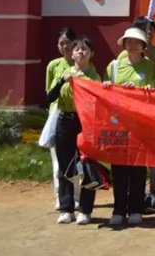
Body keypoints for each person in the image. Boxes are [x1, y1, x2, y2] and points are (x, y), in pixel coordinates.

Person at [104, 27, 155, 226]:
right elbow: (106, 94)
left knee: (138, 168)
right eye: (128, 42)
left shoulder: (151, 67)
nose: (132, 45)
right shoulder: (114, 66)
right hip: (119, 126)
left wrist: (146, 91)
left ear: (143, 46)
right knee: (119, 169)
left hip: (141, 125)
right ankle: (119, 209)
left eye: (136, 42)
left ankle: (136, 209)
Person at [46, 36, 100, 225]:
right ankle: (66, 208)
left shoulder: (94, 77)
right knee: (65, 165)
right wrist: (62, 81)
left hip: (85, 123)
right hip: (65, 121)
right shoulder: (65, 73)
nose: (80, 52)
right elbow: (50, 97)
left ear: (91, 54)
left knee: (87, 165)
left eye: (85, 49)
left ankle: (85, 210)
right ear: (72, 53)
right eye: (77, 49)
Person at [45, 27, 77, 211]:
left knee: (77, 159)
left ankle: (77, 197)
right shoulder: (53, 65)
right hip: (57, 115)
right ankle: (60, 196)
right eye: (61, 43)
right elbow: (49, 92)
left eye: (69, 43)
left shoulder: (82, 64)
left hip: (76, 115)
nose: (65, 47)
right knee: (58, 160)